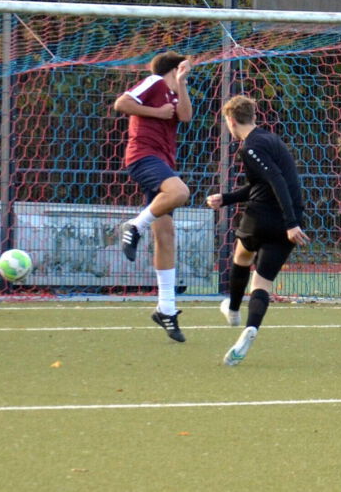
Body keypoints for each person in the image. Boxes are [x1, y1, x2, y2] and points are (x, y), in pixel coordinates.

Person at [206, 95, 309, 366]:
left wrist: (289, 222)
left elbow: (275, 180)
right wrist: (226, 198)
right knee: (262, 283)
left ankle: (232, 309)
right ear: (253, 116)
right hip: (290, 218)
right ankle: (250, 328)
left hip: (264, 217)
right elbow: (265, 184)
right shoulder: (271, 140)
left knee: (241, 258)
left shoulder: (249, 147)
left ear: (231, 120)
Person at [113, 50, 193, 342]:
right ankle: (134, 225)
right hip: (143, 156)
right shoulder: (154, 82)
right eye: (183, 69)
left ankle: (166, 309)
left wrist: (182, 84)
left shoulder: (174, 92)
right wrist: (156, 113)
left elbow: (185, 116)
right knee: (180, 192)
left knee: (166, 235)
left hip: (163, 161)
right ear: (172, 68)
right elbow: (122, 103)